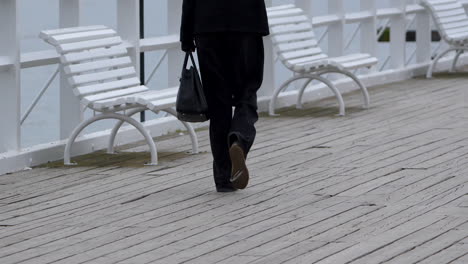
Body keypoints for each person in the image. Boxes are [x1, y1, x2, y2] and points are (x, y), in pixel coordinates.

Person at [180, 0, 269, 192]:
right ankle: (238, 138)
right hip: (246, 24)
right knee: (248, 90)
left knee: (218, 103)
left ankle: (224, 178)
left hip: (207, 27)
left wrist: (186, 36)